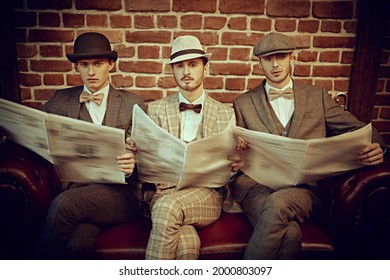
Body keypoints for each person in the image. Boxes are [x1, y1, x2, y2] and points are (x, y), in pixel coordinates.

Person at [231, 32, 386, 259]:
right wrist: (237, 152)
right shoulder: (243, 103)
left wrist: (379, 148)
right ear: (260, 63)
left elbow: (363, 130)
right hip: (256, 187)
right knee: (290, 233)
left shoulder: (317, 97)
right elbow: (232, 149)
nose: (275, 64)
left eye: (281, 56)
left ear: (292, 58)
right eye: (268, 59)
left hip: (302, 189)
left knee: (277, 204)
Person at [35, 32, 145, 259]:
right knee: (78, 246)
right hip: (79, 190)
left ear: (111, 64)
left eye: (98, 64)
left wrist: (133, 161)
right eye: (84, 65)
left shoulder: (133, 102)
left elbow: (148, 153)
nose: (91, 72)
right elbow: (33, 128)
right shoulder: (60, 100)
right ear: (76, 67)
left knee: (64, 204)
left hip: (121, 194)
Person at [139, 35, 244, 259]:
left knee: (168, 209)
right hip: (165, 192)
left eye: (193, 64)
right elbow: (146, 162)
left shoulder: (226, 113)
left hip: (207, 195)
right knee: (186, 244)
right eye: (179, 65)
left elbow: (231, 170)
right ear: (173, 71)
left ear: (205, 68)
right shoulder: (155, 109)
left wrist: (235, 163)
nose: (186, 71)